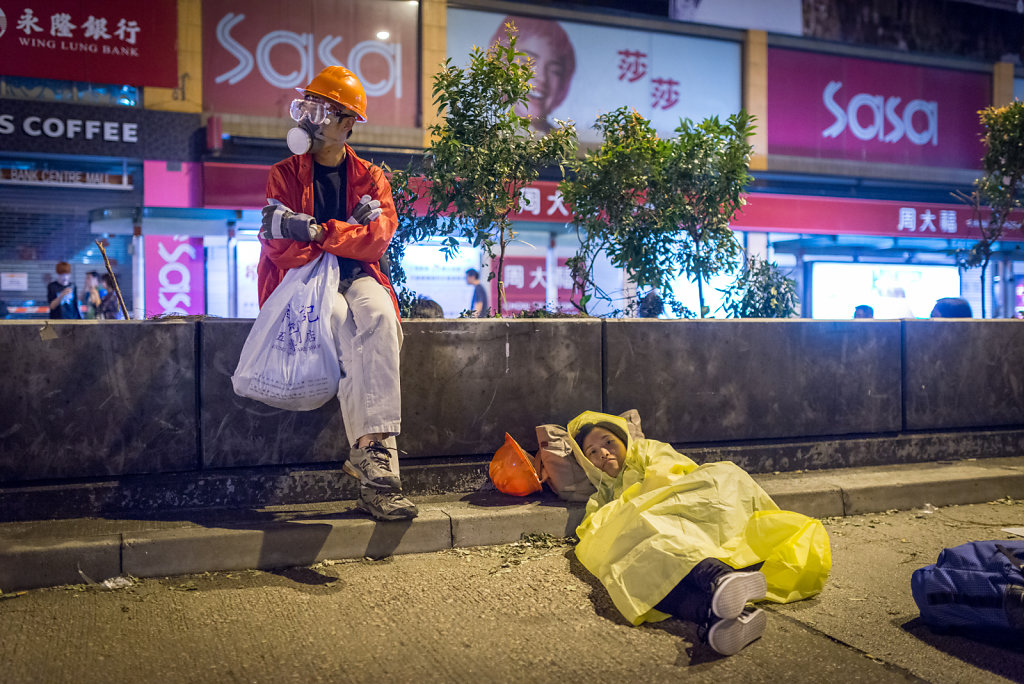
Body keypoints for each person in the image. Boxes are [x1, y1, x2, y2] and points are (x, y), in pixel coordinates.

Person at [257, 65, 416, 521]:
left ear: (348, 124)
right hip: (306, 279)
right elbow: (280, 250)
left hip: (357, 275)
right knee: (342, 324)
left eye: (322, 111)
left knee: (381, 318)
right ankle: (376, 462)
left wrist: (318, 229)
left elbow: (376, 240)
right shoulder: (284, 174)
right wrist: (344, 229)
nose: (308, 118)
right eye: (305, 106)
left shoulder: (371, 179)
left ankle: (371, 455)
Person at [567, 410, 830, 656]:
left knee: (715, 482)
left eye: (609, 442)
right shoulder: (601, 498)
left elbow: (671, 474)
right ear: (586, 462)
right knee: (630, 567)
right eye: (592, 451)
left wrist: (634, 510)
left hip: (685, 512)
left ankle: (716, 578)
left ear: (624, 440)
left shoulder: (648, 451)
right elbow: (596, 536)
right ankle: (716, 612)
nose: (603, 452)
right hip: (650, 536)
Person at [489, 16, 575, 134]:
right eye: (528, 61)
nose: (542, 78)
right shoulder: (487, 133)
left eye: (554, 70)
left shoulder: (563, 143)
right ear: (502, 63)